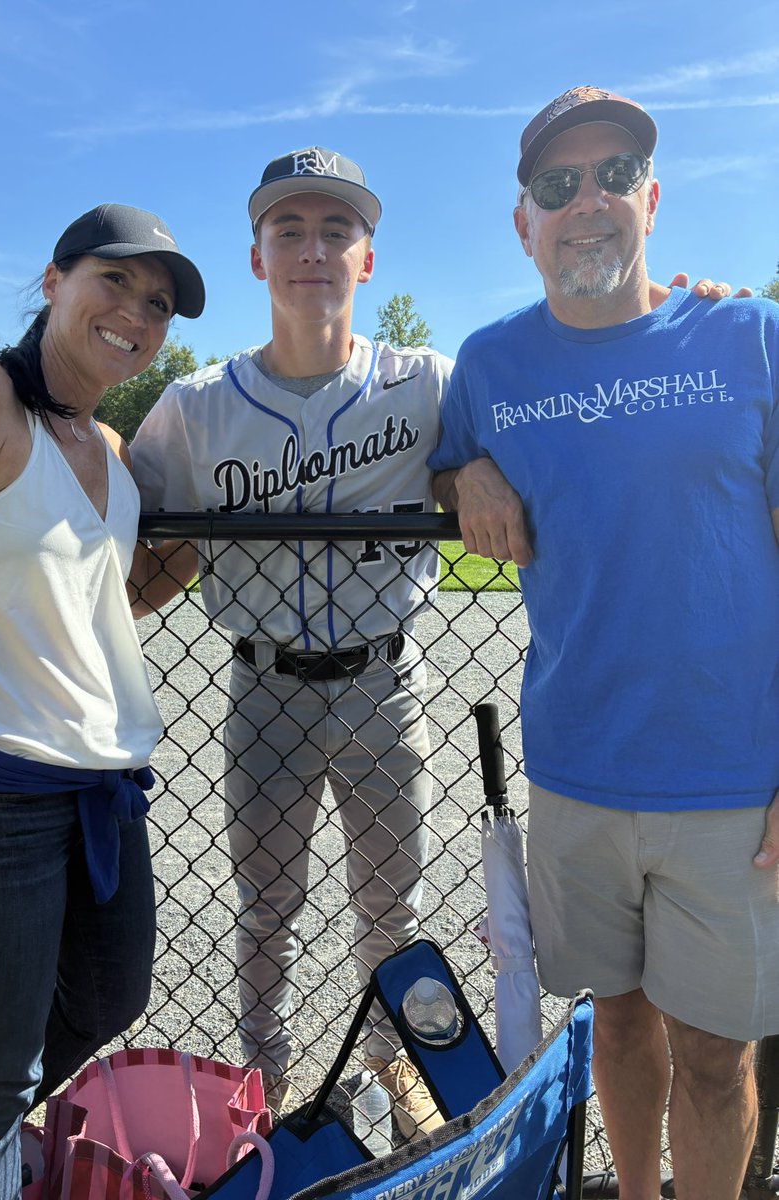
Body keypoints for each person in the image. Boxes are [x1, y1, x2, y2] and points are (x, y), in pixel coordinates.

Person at [430, 85, 779, 1200]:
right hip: (577, 773)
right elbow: (443, 456)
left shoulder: (747, 336)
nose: (588, 201)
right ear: (524, 222)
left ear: (655, 200)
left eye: (616, 175)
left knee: (718, 1061)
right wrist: (463, 468)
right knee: (618, 1033)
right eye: (556, 183)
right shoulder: (488, 368)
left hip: (733, 785)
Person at [0, 203, 205, 1200]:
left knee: (111, 999)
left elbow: (107, 603)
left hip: (102, 792)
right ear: (56, 278)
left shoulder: (107, 446)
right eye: (115, 281)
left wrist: (198, 538)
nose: (135, 314)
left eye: (157, 305)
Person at [129, 146, 449, 1139]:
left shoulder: (429, 386)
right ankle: (261, 1087)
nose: (313, 247)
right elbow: (127, 548)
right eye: (290, 230)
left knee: (391, 913)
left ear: (367, 258)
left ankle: (395, 1069)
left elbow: (530, 456)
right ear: (259, 259)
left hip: (384, 682)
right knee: (267, 910)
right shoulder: (196, 405)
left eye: (335, 229)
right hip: (262, 688)